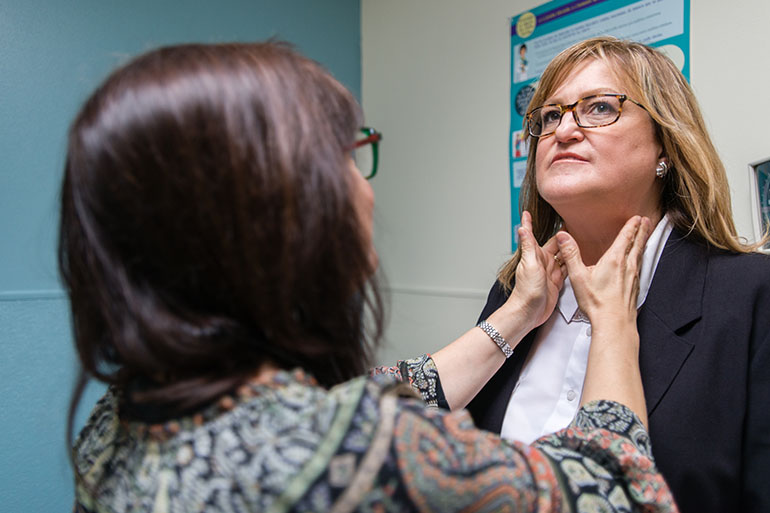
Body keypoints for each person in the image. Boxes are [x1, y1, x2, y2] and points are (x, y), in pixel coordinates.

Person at [62, 41, 677, 512]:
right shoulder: (354, 446)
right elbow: (619, 492)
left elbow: (396, 385)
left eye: (600, 108)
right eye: (348, 155)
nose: (365, 184)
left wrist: (515, 318)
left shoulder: (116, 420)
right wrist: (614, 326)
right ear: (276, 214)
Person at [467, 36, 770, 513]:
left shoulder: (751, 295)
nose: (563, 130)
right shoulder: (511, 293)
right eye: (550, 116)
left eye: (600, 107)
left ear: (665, 147)